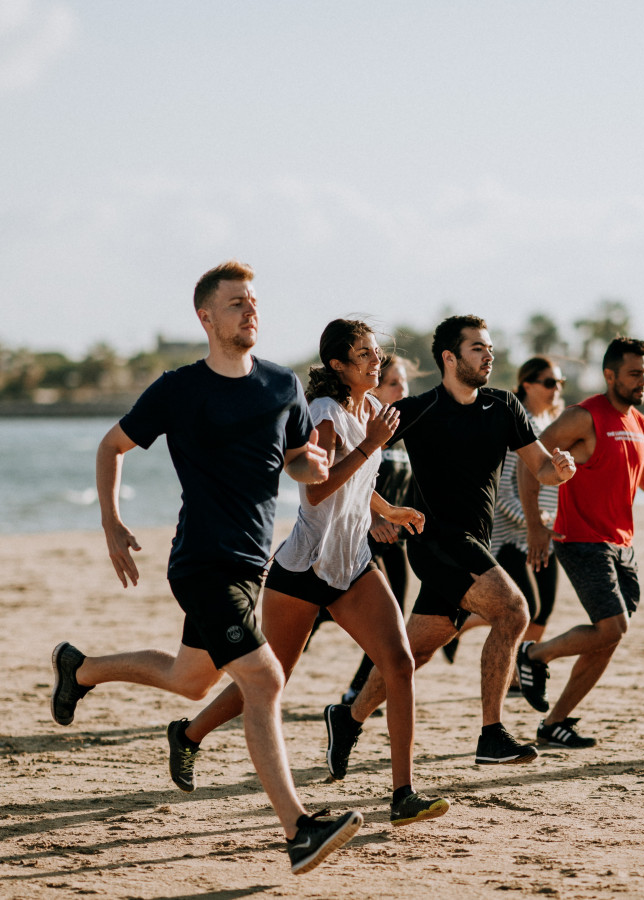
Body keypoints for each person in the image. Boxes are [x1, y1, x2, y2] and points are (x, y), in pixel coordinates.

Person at [47, 261, 362, 875]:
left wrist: (313, 468)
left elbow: (299, 459)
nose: (250, 311)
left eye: (253, 301)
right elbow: (111, 446)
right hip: (200, 563)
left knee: (190, 681)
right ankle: (298, 829)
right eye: (237, 303)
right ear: (206, 317)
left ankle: (79, 669)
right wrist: (110, 522)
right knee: (265, 680)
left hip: (251, 564)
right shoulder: (179, 389)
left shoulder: (281, 386)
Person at [166, 321, 450, 828]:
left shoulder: (370, 412)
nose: (375, 360)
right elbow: (317, 490)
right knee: (271, 678)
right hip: (303, 568)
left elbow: (356, 485)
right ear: (339, 366)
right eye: (363, 354)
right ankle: (189, 734)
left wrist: (389, 511)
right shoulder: (324, 414)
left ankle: (403, 793)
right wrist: (371, 446)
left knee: (399, 663)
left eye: (376, 352)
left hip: (352, 564)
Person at [324, 315, 577, 775]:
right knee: (514, 610)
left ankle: (348, 716)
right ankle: (491, 734)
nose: (489, 355)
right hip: (437, 540)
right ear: (450, 357)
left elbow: (540, 468)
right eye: (478, 348)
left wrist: (560, 469)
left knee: (413, 653)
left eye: (489, 347)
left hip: (472, 542)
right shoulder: (419, 409)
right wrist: (377, 514)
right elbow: (355, 462)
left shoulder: (504, 406)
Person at [514, 337, 644, 750]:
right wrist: (534, 525)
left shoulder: (641, 423)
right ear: (610, 375)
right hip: (581, 539)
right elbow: (528, 463)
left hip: (622, 544)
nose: (642, 382)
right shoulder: (582, 417)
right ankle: (534, 655)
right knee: (612, 626)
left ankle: (555, 723)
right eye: (634, 374)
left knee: (609, 635)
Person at [444, 357, 566, 676]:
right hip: (513, 536)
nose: (557, 390)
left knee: (544, 609)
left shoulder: (548, 425)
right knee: (526, 608)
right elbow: (502, 492)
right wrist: (534, 523)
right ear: (528, 384)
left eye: (560, 384)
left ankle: (517, 672)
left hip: (544, 531)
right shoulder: (519, 422)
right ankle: (458, 630)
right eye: (550, 382)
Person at [340, 353, 418, 705]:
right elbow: (348, 480)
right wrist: (374, 519)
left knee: (393, 620)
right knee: (369, 618)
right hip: (364, 539)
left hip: (395, 542)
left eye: (405, 383)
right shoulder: (367, 431)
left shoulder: (405, 433)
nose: (403, 390)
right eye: (393, 383)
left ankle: (358, 686)